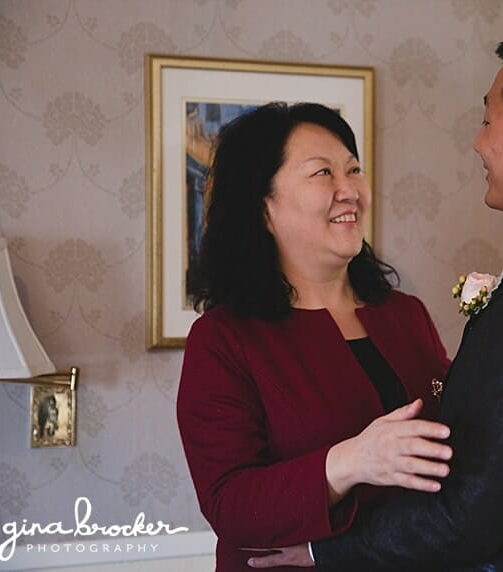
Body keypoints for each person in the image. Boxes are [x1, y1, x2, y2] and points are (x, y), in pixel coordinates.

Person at [248, 12, 503, 571]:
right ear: (264, 207)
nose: (477, 142)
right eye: (322, 174)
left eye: (488, 121)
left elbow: (470, 514)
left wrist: (324, 553)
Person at [176, 102, 454, 572]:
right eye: (323, 173)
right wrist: (350, 462)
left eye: (354, 169)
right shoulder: (221, 341)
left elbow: (460, 438)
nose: (349, 190)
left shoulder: (406, 316)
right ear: (264, 208)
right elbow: (230, 504)